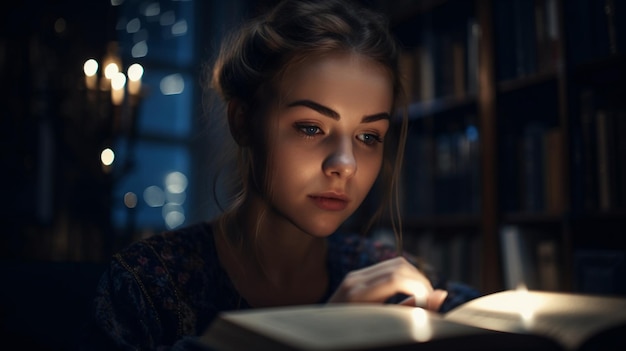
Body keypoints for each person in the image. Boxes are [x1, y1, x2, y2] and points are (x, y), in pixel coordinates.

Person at [82, 0, 480, 349]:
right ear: (242, 121)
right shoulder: (146, 283)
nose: (345, 164)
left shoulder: (385, 271)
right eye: (311, 128)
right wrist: (321, 332)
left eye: (368, 136)